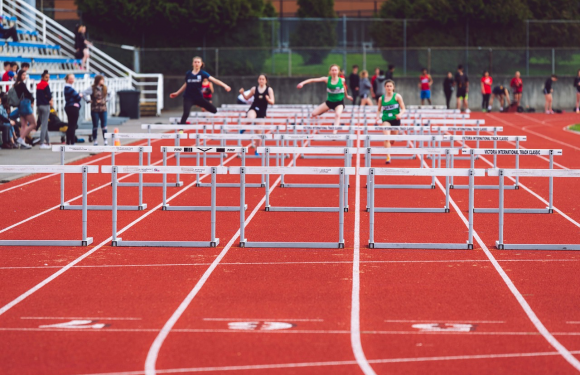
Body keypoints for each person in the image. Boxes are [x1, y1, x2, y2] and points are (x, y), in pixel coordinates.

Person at [170, 56, 231, 124]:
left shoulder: (202, 73)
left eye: (198, 62)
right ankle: (181, 130)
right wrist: (177, 93)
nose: (196, 64)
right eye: (195, 62)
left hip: (198, 97)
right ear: (192, 63)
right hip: (188, 97)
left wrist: (225, 85)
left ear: (201, 64)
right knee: (186, 113)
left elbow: (214, 80)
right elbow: (186, 84)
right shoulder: (188, 74)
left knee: (214, 110)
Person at [296, 64, 353, 131]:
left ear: (338, 71)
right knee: (313, 113)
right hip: (329, 102)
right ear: (330, 72)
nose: (334, 72)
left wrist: (347, 96)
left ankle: (334, 134)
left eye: (335, 70)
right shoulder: (326, 79)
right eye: (332, 70)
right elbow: (313, 80)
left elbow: (344, 88)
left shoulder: (342, 80)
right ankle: (326, 109)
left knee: (337, 114)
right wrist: (302, 83)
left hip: (339, 102)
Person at [239, 74, 275, 155]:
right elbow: (247, 98)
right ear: (258, 80)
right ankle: (244, 128)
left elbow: (272, 102)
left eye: (263, 79)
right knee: (250, 118)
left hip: (262, 111)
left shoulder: (269, 90)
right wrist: (242, 93)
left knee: (259, 133)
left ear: (266, 80)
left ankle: (256, 150)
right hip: (254, 108)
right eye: (260, 79)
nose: (261, 80)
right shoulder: (254, 89)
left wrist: (268, 100)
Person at [375, 79, 406, 164]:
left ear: (393, 87)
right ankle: (388, 156)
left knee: (392, 140)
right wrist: (377, 117)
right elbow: (378, 110)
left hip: (395, 120)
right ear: (385, 87)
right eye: (387, 86)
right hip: (386, 120)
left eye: (390, 86)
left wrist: (400, 114)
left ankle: (389, 145)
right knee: (387, 138)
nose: (389, 88)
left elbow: (403, 108)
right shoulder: (381, 99)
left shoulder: (397, 96)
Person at [83, 75, 110, 146]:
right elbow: (84, 93)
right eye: (101, 80)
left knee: (104, 126)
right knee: (95, 125)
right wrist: (88, 100)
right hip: (95, 109)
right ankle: (95, 140)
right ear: (98, 80)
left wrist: (106, 100)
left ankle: (105, 140)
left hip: (103, 109)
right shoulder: (92, 88)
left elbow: (111, 93)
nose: (103, 81)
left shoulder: (105, 88)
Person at [14, 70, 36, 149]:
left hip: (20, 105)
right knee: (34, 124)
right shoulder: (22, 84)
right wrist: (32, 100)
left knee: (23, 125)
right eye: (23, 75)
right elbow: (28, 93)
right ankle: (21, 138)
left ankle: (22, 143)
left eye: (25, 75)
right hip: (25, 104)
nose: (25, 76)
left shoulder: (16, 84)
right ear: (20, 75)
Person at [64, 74, 83, 145]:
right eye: (70, 78)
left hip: (69, 107)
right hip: (73, 107)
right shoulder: (69, 88)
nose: (72, 80)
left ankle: (68, 141)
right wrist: (80, 95)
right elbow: (78, 97)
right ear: (67, 79)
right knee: (73, 125)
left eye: (73, 78)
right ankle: (72, 141)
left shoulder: (67, 88)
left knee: (70, 124)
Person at [36, 70, 53, 150]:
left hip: (39, 106)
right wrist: (47, 96)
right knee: (44, 125)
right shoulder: (46, 84)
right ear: (42, 77)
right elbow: (49, 96)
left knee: (44, 124)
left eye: (48, 77)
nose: (47, 79)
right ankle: (42, 143)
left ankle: (47, 141)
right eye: (46, 77)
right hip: (45, 106)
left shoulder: (38, 85)